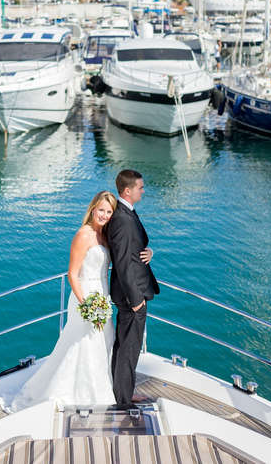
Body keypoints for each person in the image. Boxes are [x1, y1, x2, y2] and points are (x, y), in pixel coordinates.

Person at [11, 191, 133, 409]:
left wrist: (148, 252)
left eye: (109, 212)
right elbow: (72, 274)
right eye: (101, 210)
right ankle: (73, 392)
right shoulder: (83, 235)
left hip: (103, 296)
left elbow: (125, 256)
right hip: (85, 296)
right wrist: (85, 304)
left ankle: (99, 389)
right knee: (81, 343)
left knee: (102, 342)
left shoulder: (105, 236)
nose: (104, 215)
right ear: (93, 208)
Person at [105, 169, 159, 410]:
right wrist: (136, 299)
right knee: (129, 347)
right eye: (140, 187)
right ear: (127, 190)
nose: (143, 190)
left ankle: (122, 392)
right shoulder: (123, 219)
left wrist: (149, 253)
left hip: (132, 291)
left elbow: (133, 250)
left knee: (125, 344)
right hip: (131, 294)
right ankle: (124, 400)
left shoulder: (126, 213)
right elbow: (124, 263)